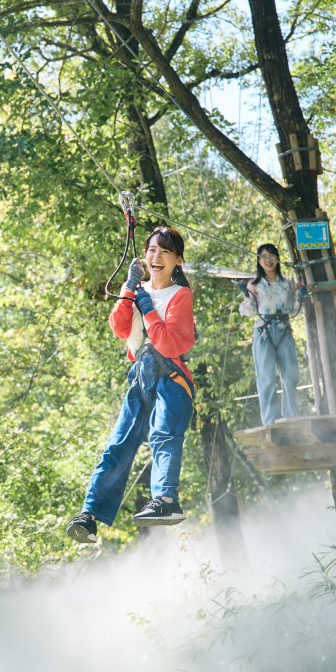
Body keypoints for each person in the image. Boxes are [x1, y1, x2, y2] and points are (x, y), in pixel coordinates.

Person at [67, 226, 196, 542]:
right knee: (118, 444)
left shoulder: (181, 295)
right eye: (152, 250)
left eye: (166, 251)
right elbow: (120, 326)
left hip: (172, 379)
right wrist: (129, 288)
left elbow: (167, 345)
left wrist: (148, 307)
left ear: (177, 260)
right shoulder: (137, 289)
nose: (157, 256)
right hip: (140, 376)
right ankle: (90, 514)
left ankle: (165, 501)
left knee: (163, 435)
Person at [238, 243, 302, 426]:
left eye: (272, 255)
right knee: (266, 379)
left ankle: (292, 417)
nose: (268, 260)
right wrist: (246, 295)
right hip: (264, 333)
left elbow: (294, 308)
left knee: (290, 377)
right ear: (259, 260)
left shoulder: (288, 282)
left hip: (284, 330)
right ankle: (270, 421)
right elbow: (248, 311)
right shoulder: (254, 284)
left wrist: (302, 296)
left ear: (277, 258)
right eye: (264, 256)